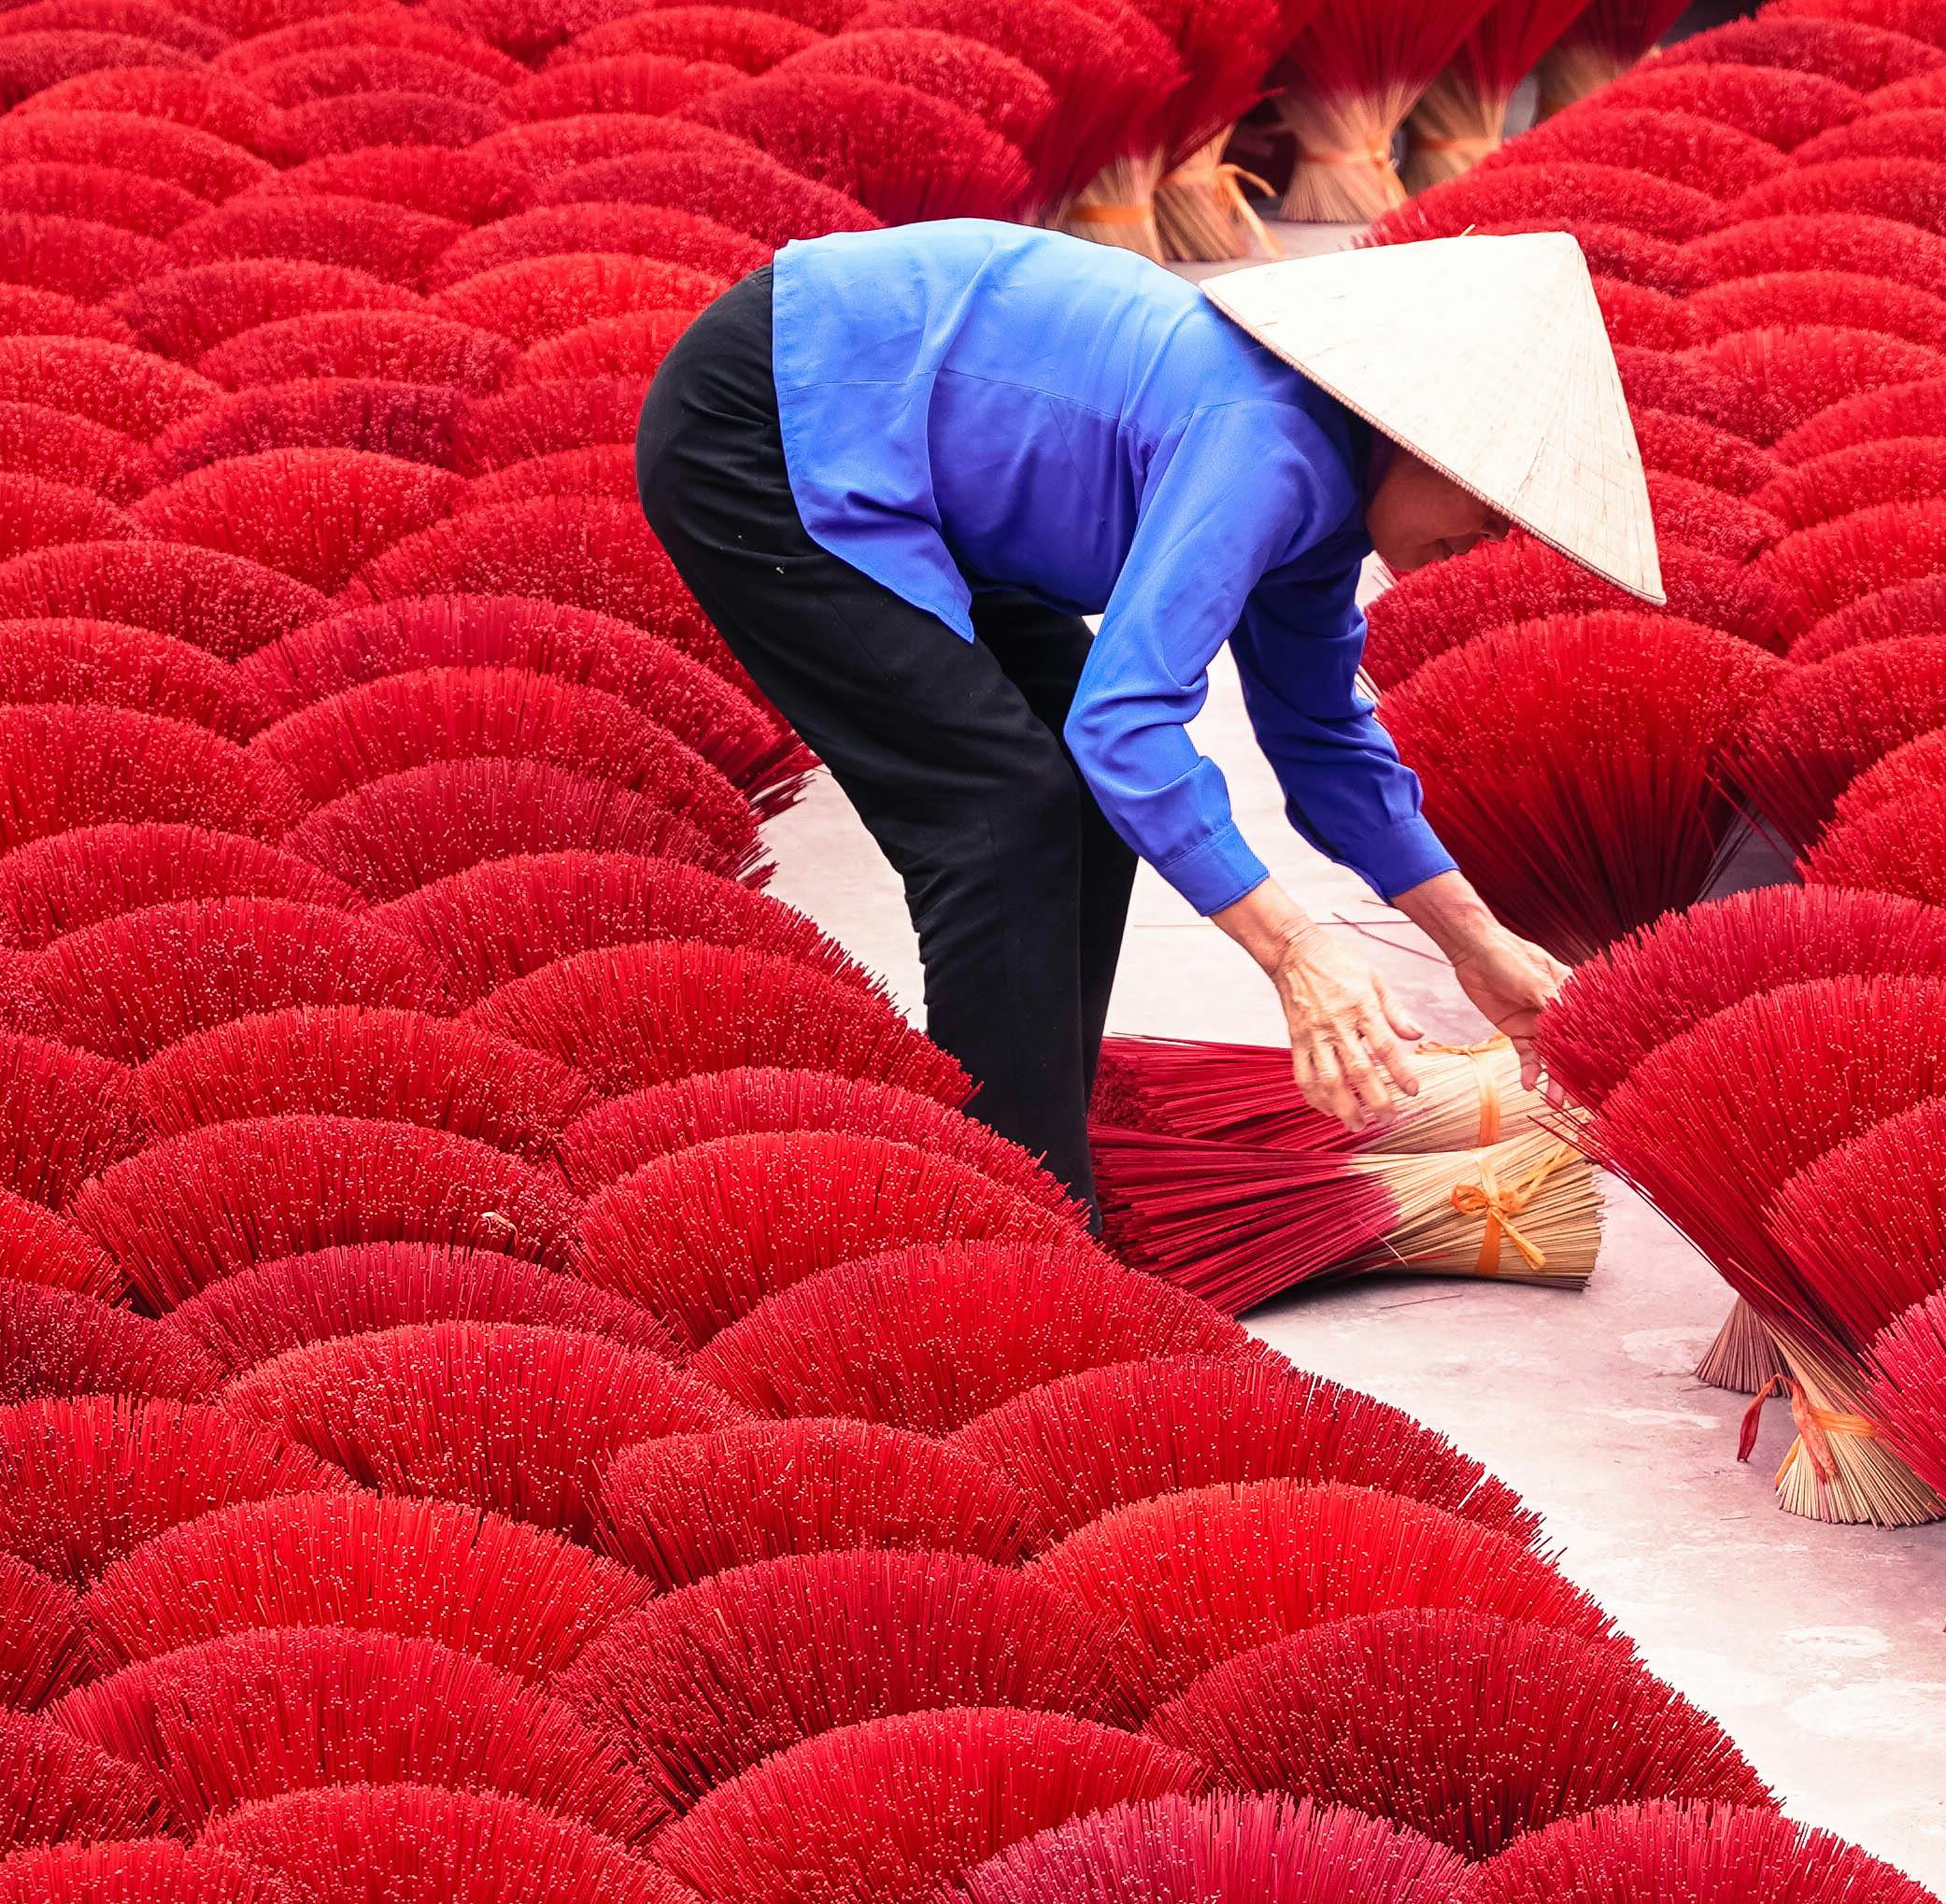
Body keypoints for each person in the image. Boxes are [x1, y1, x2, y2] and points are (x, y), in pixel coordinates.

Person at [633, 219, 1657, 1209]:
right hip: (773, 422)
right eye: (1484, 497)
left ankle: (1034, 1177)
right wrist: (1292, 950)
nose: (1489, 536)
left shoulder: (1327, 504)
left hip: (901, 448)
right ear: (1408, 431)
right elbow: (1126, 723)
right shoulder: (1269, 441)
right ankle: (1011, 1219)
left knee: (1073, 801)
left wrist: (1477, 944)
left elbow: (1323, 739)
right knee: (1000, 808)